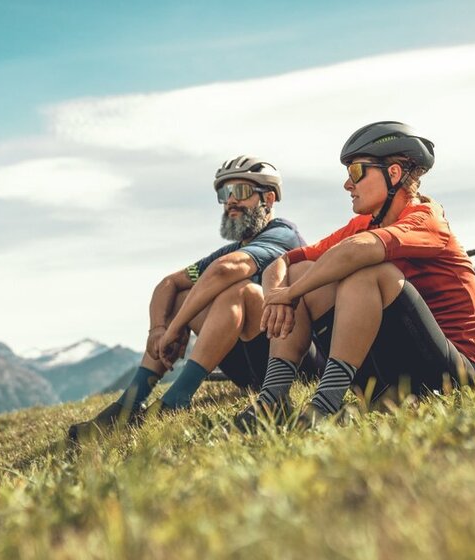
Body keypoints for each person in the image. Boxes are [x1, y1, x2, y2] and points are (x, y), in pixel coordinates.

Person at [234, 121, 475, 430]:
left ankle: (325, 404)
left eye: (355, 171)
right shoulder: (364, 224)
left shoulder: (426, 219)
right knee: (302, 272)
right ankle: (272, 401)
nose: (347, 184)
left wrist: (290, 293)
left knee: (368, 273)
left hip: (454, 374)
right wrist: (277, 295)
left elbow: (358, 251)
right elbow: (284, 262)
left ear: (393, 173)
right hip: (393, 375)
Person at [69, 156, 306, 442]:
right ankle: (130, 404)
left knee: (239, 290)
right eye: (224, 194)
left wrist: (174, 329)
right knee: (179, 297)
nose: (230, 201)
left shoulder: (282, 233)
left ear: (268, 198)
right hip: (248, 365)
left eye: (240, 192)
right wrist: (158, 329)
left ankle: (176, 398)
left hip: (290, 360)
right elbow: (168, 283)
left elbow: (226, 270)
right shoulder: (230, 250)